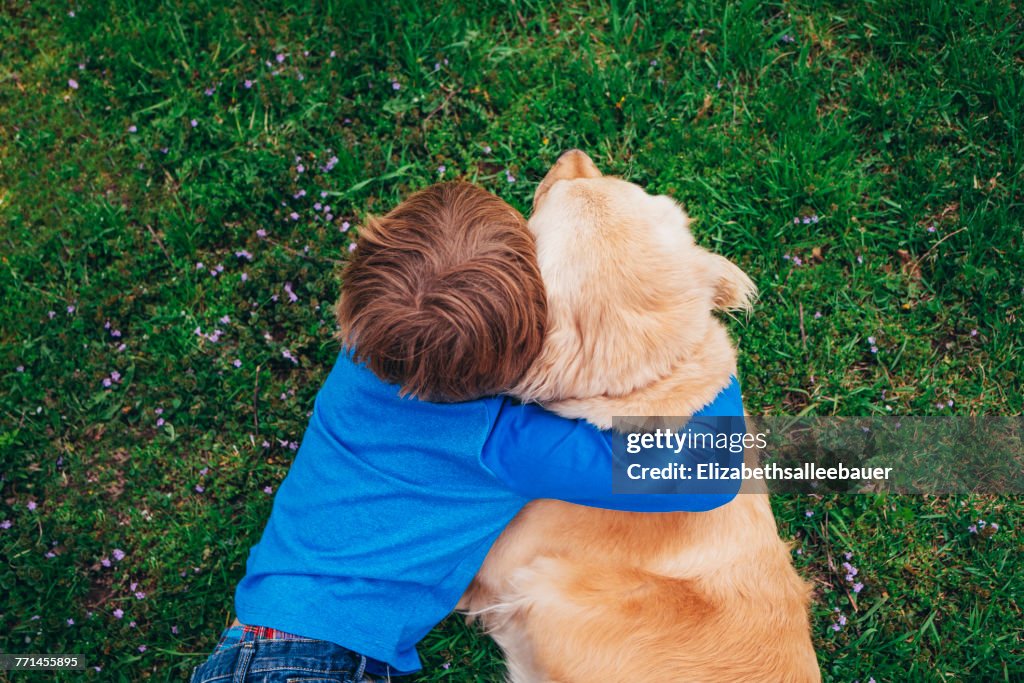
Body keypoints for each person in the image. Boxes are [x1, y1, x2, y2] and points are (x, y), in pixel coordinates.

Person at [190, 182, 736, 683]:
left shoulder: (363, 355)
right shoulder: (503, 441)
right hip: (316, 664)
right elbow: (712, 471)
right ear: (533, 357)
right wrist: (690, 338)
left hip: (256, 643)